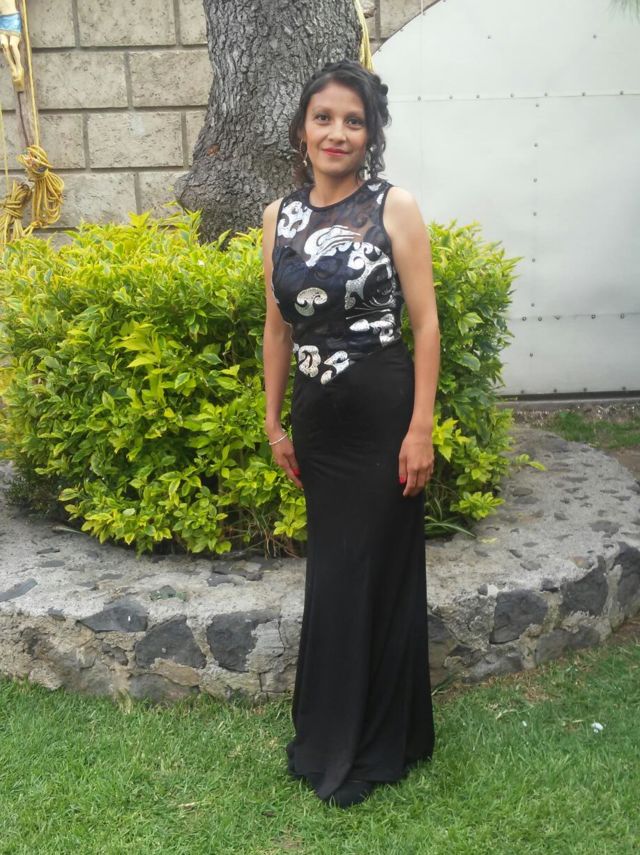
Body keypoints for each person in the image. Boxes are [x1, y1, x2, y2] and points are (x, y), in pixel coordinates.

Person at [261, 59, 440, 809]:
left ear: (371, 134)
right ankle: (329, 730)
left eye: (354, 121)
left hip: (383, 416)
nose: (338, 132)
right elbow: (277, 326)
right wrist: (273, 420)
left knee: (377, 569)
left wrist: (420, 428)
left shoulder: (394, 207)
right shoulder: (278, 215)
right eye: (324, 118)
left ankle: (377, 742)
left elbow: (426, 324)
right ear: (302, 130)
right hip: (318, 422)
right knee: (334, 573)